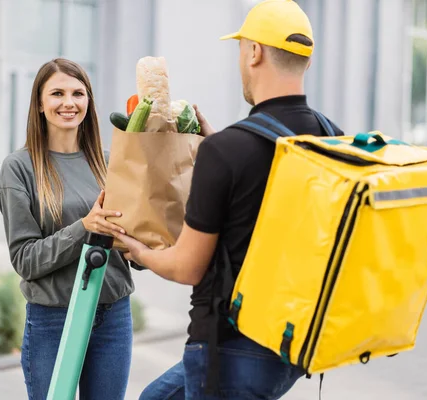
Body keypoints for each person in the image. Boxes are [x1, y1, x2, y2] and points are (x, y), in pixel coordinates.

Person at [114, 1, 345, 399]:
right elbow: (272, 185)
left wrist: (135, 248)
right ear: (306, 61)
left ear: (254, 52)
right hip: (293, 343)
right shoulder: (331, 138)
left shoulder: (227, 151)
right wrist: (217, 144)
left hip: (229, 349)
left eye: (241, 49)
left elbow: (186, 267)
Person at [0, 58, 135, 400]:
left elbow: (135, 248)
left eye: (78, 93)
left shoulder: (110, 162)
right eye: (57, 93)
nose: (69, 103)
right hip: (54, 319)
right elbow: (25, 259)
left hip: (113, 315)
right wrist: (85, 228)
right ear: (40, 104)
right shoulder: (20, 168)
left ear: (88, 101)